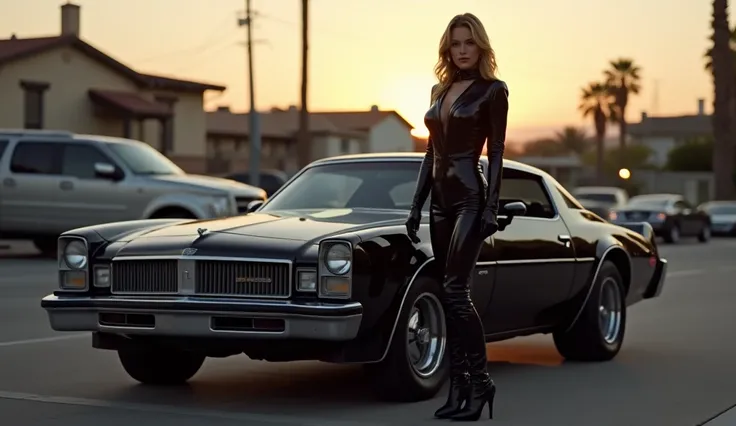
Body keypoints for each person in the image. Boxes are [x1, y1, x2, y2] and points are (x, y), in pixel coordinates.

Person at [405, 12, 508, 422]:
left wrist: (492, 207)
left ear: (480, 47)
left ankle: (480, 383)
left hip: (469, 198)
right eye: (455, 44)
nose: (462, 50)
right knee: (450, 300)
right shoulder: (439, 89)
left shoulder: (493, 91)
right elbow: (430, 152)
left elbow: (497, 151)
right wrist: (416, 204)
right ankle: (459, 387)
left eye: (469, 43)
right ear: (447, 49)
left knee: (454, 291)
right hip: (439, 202)